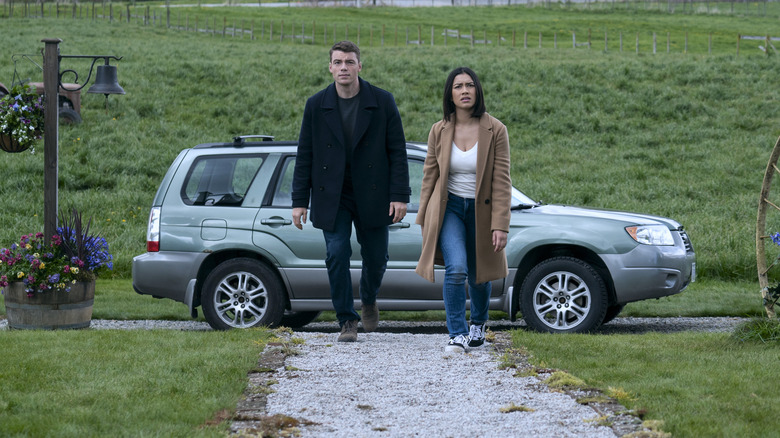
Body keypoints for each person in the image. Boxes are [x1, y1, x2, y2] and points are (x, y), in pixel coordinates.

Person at [291, 41, 410, 343]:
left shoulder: (382, 101)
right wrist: (298, 201)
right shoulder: (316, 105)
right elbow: (305, 154)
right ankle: (347, 319)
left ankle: (368, 298)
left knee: (377, 258)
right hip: (333, 195)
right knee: (336, 253)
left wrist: (399, 195)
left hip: (373, 194)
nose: (344, 67)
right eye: (338, 62)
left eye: (349, 61)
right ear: (330, 67)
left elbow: (397, 151)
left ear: (360, 66)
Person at [415, 66, 512, 353]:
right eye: (458, 86)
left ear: (477, 90)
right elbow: (429, 176)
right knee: (456, 268)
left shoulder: (496, 129)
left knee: (479, 274)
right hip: (450, 208)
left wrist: (500, 224)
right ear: (450, 93)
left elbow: (502, 179)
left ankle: (478, 324)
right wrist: (424, 218)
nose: (465, 90)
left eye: (470, 85)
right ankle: (456, 333)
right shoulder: (439, 130)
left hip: (483, 211)